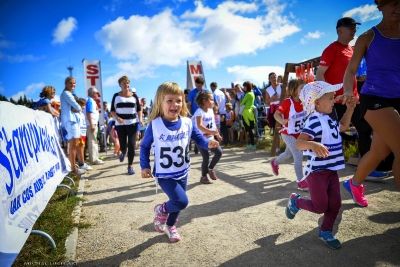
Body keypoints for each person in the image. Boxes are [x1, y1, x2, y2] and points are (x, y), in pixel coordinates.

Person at [140, 82, 219, 242]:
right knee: (181, 201)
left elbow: (198, 139)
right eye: (169, 100)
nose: (174, 104)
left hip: (182, 171)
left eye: (178, 100)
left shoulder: (187, 122)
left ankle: (170, 226)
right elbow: (144, 146)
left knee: (177, 203)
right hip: (164, 174)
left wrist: (208, 144)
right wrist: (145, 166)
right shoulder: (154, 125)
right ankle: (161, 209)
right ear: (160, 103)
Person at [341, 0, 400, 207]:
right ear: (381, 5)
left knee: (380, 151)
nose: (398, 7)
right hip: (376, 97)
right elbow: (350, 71)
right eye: (394, 3)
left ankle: (354, 183)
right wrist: (348, 91)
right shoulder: (368, 37)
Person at [286, 81, 357, 250]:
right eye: (331, 98)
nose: (334, 101)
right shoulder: (314, 120)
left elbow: (343, 127)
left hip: (331, 171)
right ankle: (296, 202)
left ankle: (325, 231)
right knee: (320, 207)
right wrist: (313, 145)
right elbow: (300, 143)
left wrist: (350, 109)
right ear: (317, 102)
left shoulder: (328, 118)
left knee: (335, 204)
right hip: (317, 172)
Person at [316, 16, 387, 180]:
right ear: (340, 30)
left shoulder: (353, 50)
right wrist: (328, 94)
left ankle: (367, 169)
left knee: (365, 130)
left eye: (355, 27)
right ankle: (323, 169)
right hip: (335, 101)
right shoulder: (331, 49)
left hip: (352, 100)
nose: (354, 30)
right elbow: (320, 73)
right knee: (330, 135)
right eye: (350, 27)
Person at [271, 79, 308, 190]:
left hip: (298, 134)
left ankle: (275, 162)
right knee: (298, 155)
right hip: (288, 134)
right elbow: (276, 114)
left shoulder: (305, 101)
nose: (304, 90)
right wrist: (281, 121)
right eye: (302, 88)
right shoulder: (287, 102)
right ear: (294, 89)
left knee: (288, 154)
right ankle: (301, 181)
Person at [110, 76, 143, 175]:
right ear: (120, 85)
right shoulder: (116, 96)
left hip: (132, 123)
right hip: (120, 125)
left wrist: (140, 119)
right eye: (124, 83)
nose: (126, 85)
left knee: (132, 145)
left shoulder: (134, 96)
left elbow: (139, 109)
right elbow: (112, 110)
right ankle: (123, 152)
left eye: (128, 83)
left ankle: (130, 166)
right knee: (123, 145)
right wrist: (117, 118)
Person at [192, 91, 223, 184]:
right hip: (200, 138)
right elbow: (199, 126)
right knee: (206, 157)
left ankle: (210, 168)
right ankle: (203, 177)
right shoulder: (199, 112)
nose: (213, 102)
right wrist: (211, 132)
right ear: (204, 101)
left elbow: (213, 124)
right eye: (212, 99)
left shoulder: (211, 110)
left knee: (219, 152)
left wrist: (217, 134)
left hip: (210, 136)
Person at [60, 77, 84, 176]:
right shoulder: (66, 94)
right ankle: (73, 169)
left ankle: (73, 167)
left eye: (74, 83)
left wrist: (77, 108)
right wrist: (77, 108)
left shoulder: (68, 94)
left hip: (74, 121)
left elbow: (77, 107)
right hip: (70, 121)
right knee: (73, 146)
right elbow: (77, 106)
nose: (73, 85)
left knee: (75, 145)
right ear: (65, 83)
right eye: (70, 83)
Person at [85, 87, 104, 165]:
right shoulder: (89, 100)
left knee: (94, 141)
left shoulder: (91, 101)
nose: (98, 95)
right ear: (93, 94)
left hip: (92, 123)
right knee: (92, 141)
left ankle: (95, 157)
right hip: (91, 124)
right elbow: (88, 113)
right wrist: (92, 124)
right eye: (97, 93)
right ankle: (94, 159)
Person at [210, 82, 230, 148]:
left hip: (217, 112)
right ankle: (226, 142)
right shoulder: (221, 93)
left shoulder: (214, 93)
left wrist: (216, 111)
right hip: (223, 111)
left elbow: (216, 103)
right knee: (224, 128)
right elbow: (226, 100)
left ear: (212, 87)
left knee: (216, 127)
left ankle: (217, 142)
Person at [76, 98, 92, 171]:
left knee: (82, 148)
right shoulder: (76, 113)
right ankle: (81, 163)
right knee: (80, 149)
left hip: (83, 133)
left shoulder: (82, 114)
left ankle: (82, 162)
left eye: (84, 105)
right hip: (79, 133)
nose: (83, 107)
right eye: (82, 105)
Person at [240, 81, 256, 149]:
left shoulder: (248, 94)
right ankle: (252, 144)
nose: (243, 88)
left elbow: (241, 103)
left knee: (248, 130)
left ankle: (252, 144)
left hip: (246, 113)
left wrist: (241, 102)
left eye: (244, 86)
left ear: (247, 87)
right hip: (251, 112)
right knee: (250, 129)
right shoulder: (252, 93)